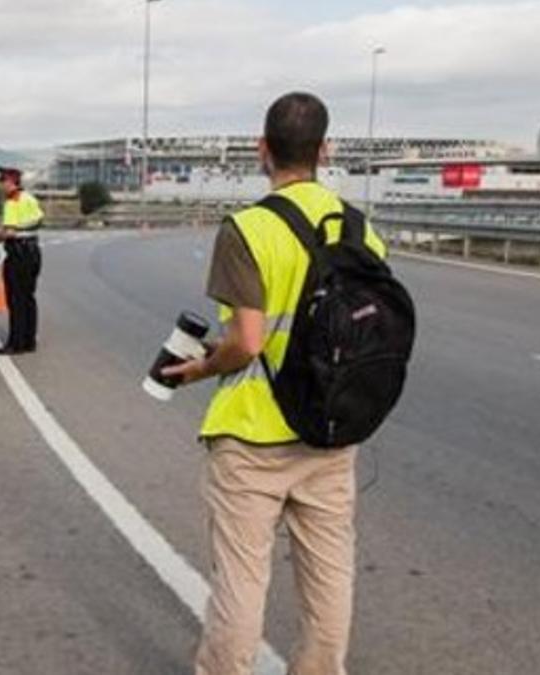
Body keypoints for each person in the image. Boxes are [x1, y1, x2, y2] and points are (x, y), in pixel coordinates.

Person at [162, 92, 387, 675]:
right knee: (329, 574)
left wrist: (200, 367)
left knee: (241, 578)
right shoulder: (362, 231)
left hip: (253, 433)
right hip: (332, 428)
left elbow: (249, 343)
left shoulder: (248, 229)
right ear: (325, 150)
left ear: (262, 150)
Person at [0, 166, 44, 354]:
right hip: (34, 252)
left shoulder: (12, 201)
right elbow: (38, 220)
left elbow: (9, 231)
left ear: (11, 182)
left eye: (2, 182)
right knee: (28, 297)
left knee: (16, 299)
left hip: (18, 254)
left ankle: (16, 344)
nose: (1, 186)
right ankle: (29, 341)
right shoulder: (30, 198)